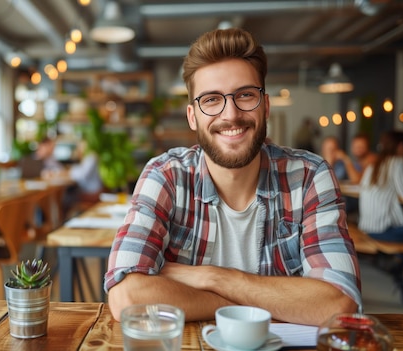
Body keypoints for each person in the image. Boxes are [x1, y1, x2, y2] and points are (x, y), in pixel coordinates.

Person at [104, 28, 361, 326]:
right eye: (212, 100)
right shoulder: (166, 176)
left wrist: (211, 277)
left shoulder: (309, 177)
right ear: (192, 116)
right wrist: (273, 304)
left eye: (246, 95)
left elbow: (340, 304)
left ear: (265, 106)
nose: (231, 114)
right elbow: (129, 298)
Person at [358, 130, 403, 309]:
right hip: (384, 230)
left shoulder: (374, 164)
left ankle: (401, 263)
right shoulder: (396, 162)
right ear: (401, 146)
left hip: (368, 227)